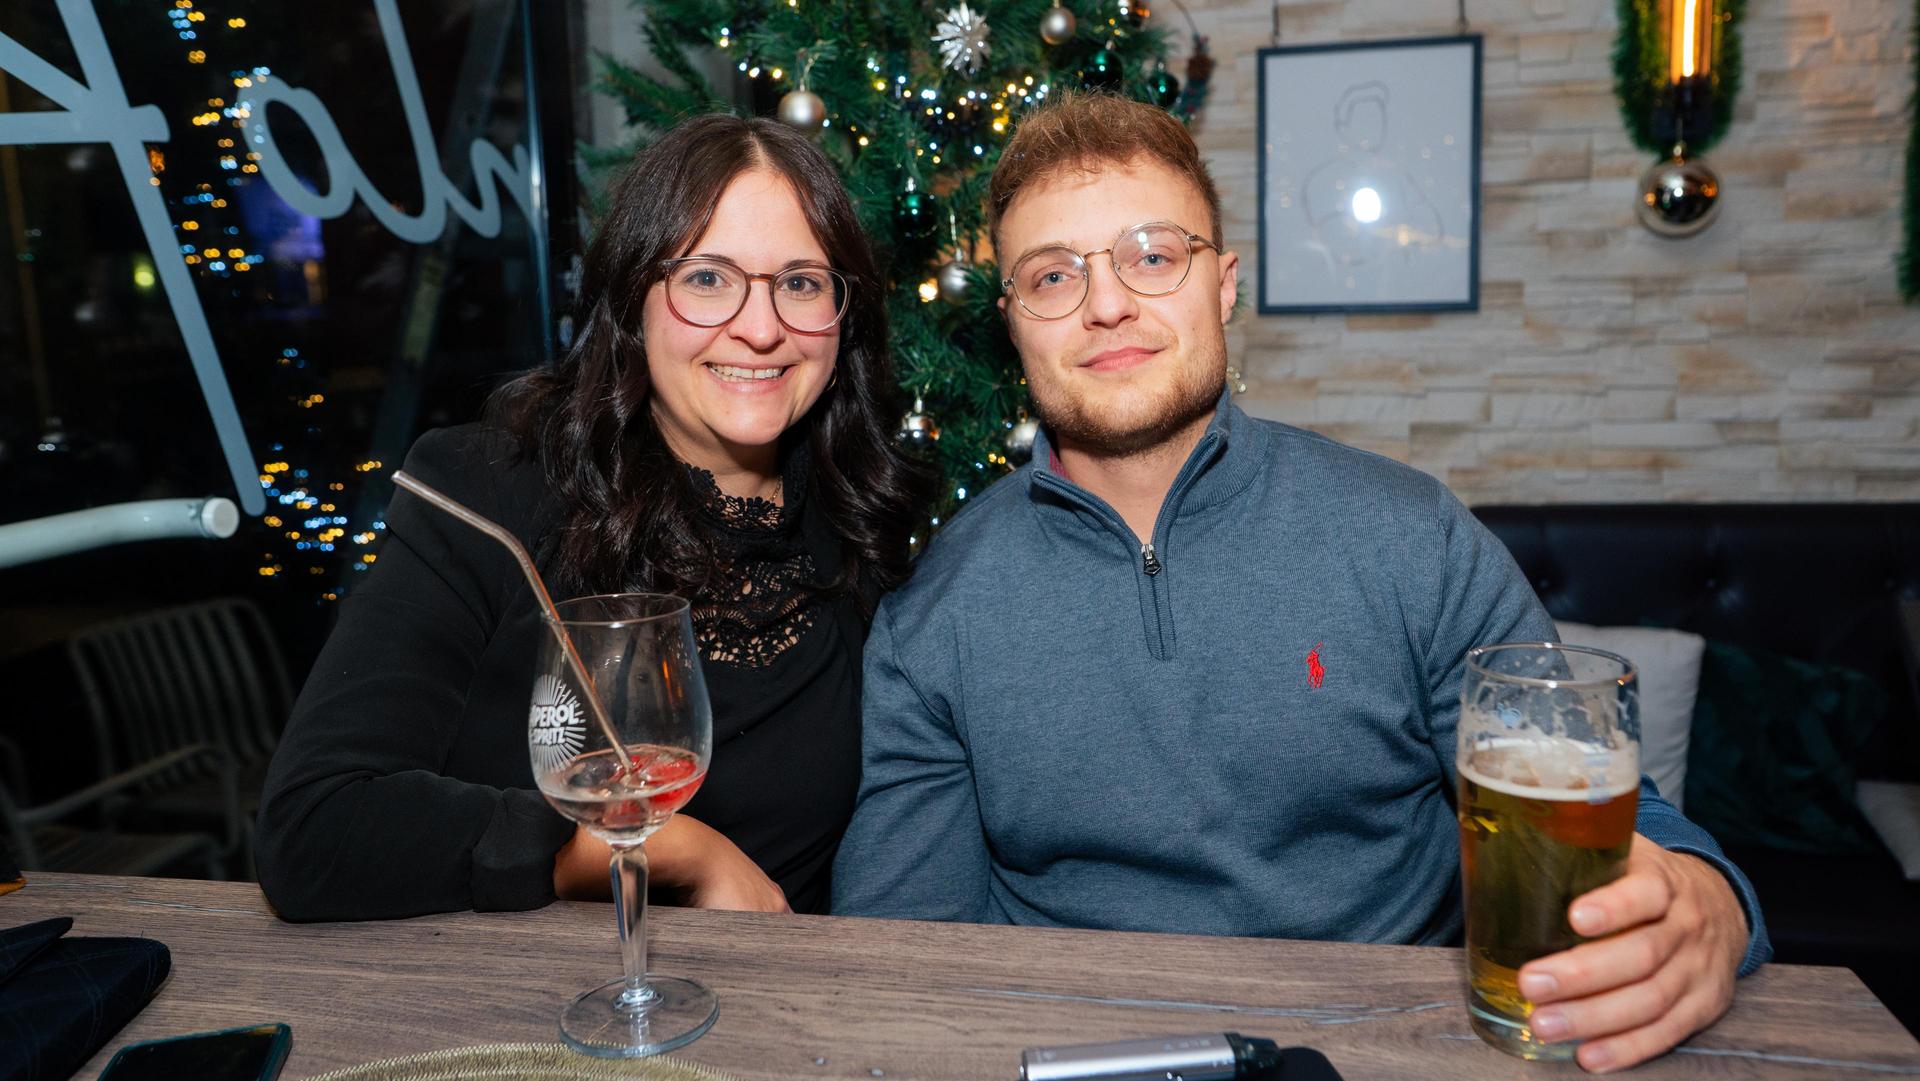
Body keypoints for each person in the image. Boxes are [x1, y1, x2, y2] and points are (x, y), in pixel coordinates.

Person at [832, 92, 1769, 1073]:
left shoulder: (1413, 536)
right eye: (1053, 275)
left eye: (1153, 256)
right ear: (1012, 321)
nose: (1106, 303)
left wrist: (1709, 898)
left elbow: (1614, 817)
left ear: (1223, 285)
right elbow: (906, 962)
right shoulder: (938, 611)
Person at [256, 114, 929, 921]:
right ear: (632, 303)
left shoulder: (862, 523)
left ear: (841, 315)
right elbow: (312, 829)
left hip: (778, 1024)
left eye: (801, 282)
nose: (760, 327)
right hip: (523, 1024)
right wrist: (654, 847)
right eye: (708, 277)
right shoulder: (491, 496)